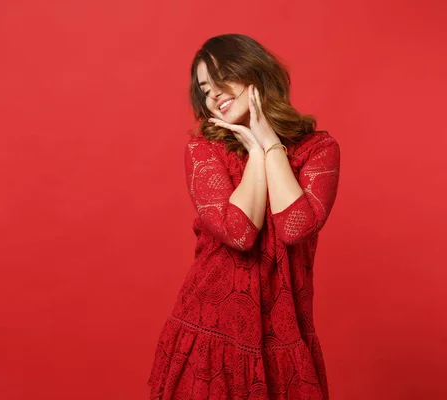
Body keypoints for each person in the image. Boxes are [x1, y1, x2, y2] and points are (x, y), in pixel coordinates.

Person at [147, 34, 341, 400]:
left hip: (285, 336)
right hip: (211, 332)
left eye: (221, 79)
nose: (214, 95)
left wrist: (269, 144)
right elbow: (240, 234)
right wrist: (253, 150)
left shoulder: (319, 150)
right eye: (204, 89)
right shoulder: (205, 151)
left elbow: (294, 227)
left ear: (255, 73)